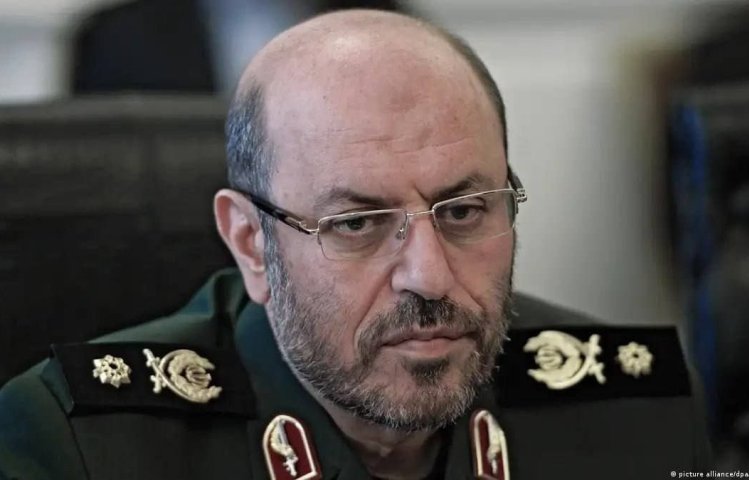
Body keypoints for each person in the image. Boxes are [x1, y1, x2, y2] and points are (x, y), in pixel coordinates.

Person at [0, 9, 710, 480]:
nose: (429, 277)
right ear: (251, 243)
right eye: (356, 224)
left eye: (464, 211)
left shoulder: (634, 410)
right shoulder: (80, 444)